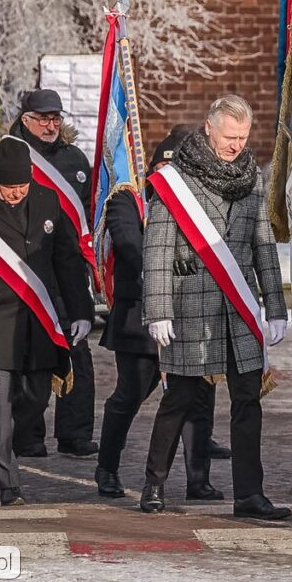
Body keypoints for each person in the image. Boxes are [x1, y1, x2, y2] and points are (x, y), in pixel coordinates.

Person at [140, 95, 289, 520]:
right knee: (180, 399)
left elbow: (263, 244)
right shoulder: (174, 179)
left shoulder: (252, 178)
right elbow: (157, 250)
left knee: (247, 401)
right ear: (209, 127)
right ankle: (154, 484)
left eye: (242, 137)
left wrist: (274, 307)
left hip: (240, 308)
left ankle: (249, 495)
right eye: (229, 136)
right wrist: (158, 310)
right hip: (191, 306)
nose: (236, 145)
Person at [0, 138, 94, 505]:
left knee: (35, 399)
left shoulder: (47, 200)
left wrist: (82, 311)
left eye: (21, 187)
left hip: (38, 321)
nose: (15, 195)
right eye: (9, 189)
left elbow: (67, 261)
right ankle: (8, 484)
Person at [95, 126, 224, 500]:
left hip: (190, 316)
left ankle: (198, 478)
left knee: (197, 400)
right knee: (129, 396)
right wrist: (165, 267)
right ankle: (107, 468)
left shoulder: (199, 206)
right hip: (139, 319)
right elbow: (131, 247)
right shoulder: (129, 203)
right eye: (162, 170)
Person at [8, 89, 96, 457]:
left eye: (55, 118)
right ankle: (27, 436)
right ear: (26, 119)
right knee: (33, 359)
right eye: (43, 119)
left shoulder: (74, 158)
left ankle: (74, 435)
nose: (50, 125)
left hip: (70, 270)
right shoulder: (10, 156)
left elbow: (88, 211)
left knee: (78, 351)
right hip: (28, 270)